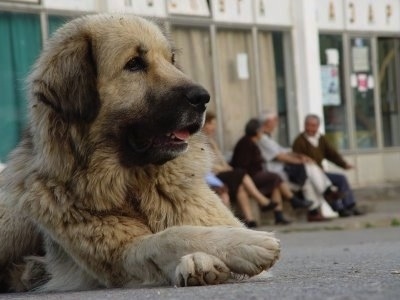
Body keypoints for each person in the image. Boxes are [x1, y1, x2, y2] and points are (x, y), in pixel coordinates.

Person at [258, 111, 342, 222]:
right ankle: (327, 190)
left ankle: (314, 211)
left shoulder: (269, 138)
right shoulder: (263, 139)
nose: (276, 123)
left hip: (286, 171)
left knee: (308, 177)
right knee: (308, 167)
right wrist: (299, 161)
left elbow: (284, 151)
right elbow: (279, 156)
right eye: (275, 121)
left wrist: (300, 156)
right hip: (277, 172)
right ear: (268, 122)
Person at [202, 111, 278, 228]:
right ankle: (262, 200)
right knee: (242, 174)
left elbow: (221, 161)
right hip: (213, 175)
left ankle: (249, 220)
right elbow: (207, 165)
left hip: (222, 173)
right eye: (211, 123)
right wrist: (225, 169)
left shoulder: (211, 141)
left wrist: (227, 168)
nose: (214, 127)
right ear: (204, 124)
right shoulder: (200, 142)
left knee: (240, 187)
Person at [230, 118, 313, 224]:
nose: (262, 133)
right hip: (248, 176)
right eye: (261, 130)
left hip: (254, 174)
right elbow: (242, 165)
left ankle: (279, 215)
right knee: (275, 177)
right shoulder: (246, 143)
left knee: (275, 183)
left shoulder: (252, 142)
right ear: (257, 131)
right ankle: (293, 200)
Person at [292, 114, 364, 216]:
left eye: (313, 126)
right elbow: (297, 159)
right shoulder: (299, 141)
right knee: (326, 186)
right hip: (309, 175)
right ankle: (340, 209)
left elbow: (331, 154)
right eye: (307, 125)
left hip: (321, 172)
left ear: (317, 126)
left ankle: (350, 205)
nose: (309, 128)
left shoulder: (321, 139)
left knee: (341, 179)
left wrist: (344, 164)